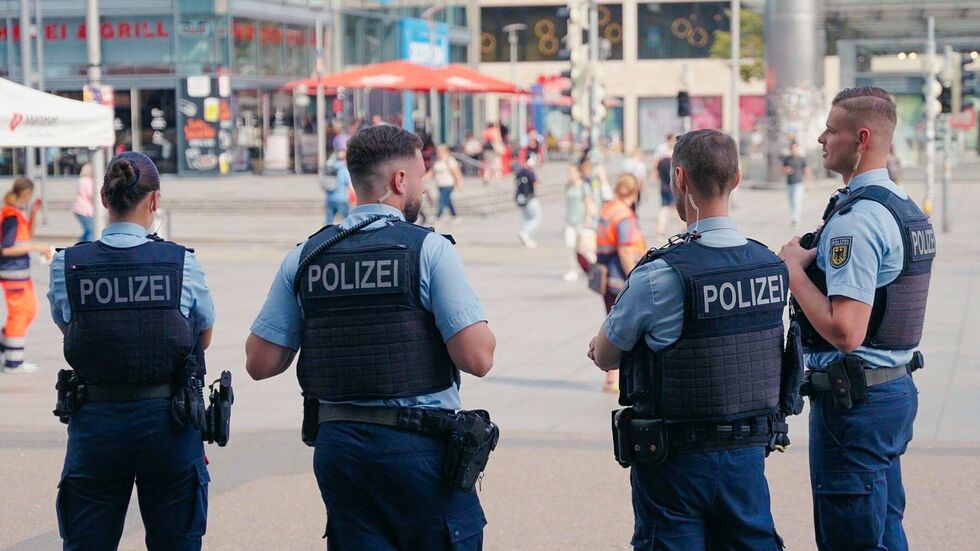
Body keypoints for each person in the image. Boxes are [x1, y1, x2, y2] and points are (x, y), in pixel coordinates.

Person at [245, 124, 497, 550]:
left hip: (340, 450)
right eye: (420, 177)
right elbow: (478, 358)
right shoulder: (428, 249)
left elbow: (260, 362)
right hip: (416, 448)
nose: (422, 186)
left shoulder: (307, 256)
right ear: (400, 181)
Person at [589, 130, 788, 550]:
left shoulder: (659, 274)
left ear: (678, 178)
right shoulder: (769, 267)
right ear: (735, 178)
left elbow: (606, 355)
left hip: (675, 464)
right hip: (748, 457)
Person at [778, 86, 931, 551]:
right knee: (884, 531)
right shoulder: (904, 210)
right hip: (891, 389)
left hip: (855, 403)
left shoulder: (856, 221)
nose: (822, 138)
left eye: (832, 129)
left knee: (852, 537)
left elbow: (846, 331)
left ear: (861, 138)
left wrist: (790, 271)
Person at [47, 152, 216, 549]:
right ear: (154, 200)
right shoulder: (181, 263)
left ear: (104, 199)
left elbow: (68, 328)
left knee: (88, 541)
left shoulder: (66, 264)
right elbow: (202, 335)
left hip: (96, 423)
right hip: (169, 423)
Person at [594, 173, 645, 392]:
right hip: (618, 278)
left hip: (606, 275)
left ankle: (611, 377)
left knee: (613, 323)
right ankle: (617, 378)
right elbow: (625, 249)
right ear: (634, 192)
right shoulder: (624, 215)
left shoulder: (608, 209)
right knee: (624, 328)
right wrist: (635, 276)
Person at [0, 177, 53, 373]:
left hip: (19, 272)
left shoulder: (16, 213)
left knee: (29, 310)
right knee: (19, 314)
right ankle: (13, 362)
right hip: (12, 271)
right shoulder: (12, 216)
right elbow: (6, 248)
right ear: (27, 193)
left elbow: (25, 237)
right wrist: (38, 247)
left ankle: (5, 346)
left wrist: (33, 214)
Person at [563, 162, 588, 281]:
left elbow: (588, 204)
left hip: (581, 221)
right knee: (570, 245)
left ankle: (589, 267)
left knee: (583, 248)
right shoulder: (568, 186)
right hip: (570, 221)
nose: (569, 174)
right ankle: (572, 270)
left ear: (578, 173)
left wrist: (587, 220)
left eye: (572, 172)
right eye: (568, 172)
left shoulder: (584, 186)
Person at [426, 144, 464, 225]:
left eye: (439, 151)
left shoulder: (450, 161)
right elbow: (432, 172)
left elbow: (456, 173)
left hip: (448, 184)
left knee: (441, 200)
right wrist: (423, 178)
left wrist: (459, 183)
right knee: (447, 201)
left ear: (445, 151)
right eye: (437, 151)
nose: (438, 153)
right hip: (440, 185)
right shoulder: (437, 161)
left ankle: (437, 217)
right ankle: (455, 216)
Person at [655, 134, 680, 237]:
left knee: (664, 208)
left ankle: (660, 228)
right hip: (673, 187)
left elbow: (657, 170)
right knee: (676, 208)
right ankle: (685, 227)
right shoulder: (675, 162)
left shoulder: (661, 160)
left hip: (663, 186)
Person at [782, 142, 811, 229]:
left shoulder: (801, 159)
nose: (794, 150)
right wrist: (786, 170)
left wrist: (808, 184)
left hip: (799, 183)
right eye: (792, 148)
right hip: (789, 183)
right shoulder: (787, 159)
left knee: (796, 201)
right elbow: (783, 168)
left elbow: (806, 171)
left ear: (798, 148)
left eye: (795, 148)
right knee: (791, 202)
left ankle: (796, 219)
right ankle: (792, 218)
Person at [514, 157, 541, 248]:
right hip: (530, 198)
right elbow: (536, 184)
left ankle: (526, 236)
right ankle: (525, 233)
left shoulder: (519, 172)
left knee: (526, 219)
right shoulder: (530, 173)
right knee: (536, 218)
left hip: (520, 198)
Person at [324, 150, 352, 224]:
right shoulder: (344, 170)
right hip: (341, 198)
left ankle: (326, 235)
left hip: (330, 198)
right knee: (348, 220)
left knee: (328, 221)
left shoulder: (330, 169)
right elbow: (350, 185)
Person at [72, 164, 95, 242]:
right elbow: (91, 194)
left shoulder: (81, 180)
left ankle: (80, 243)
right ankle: (88, 245)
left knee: (88, 230)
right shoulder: (88, 181)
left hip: (79, 209)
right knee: (91, 230)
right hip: (85, 210)